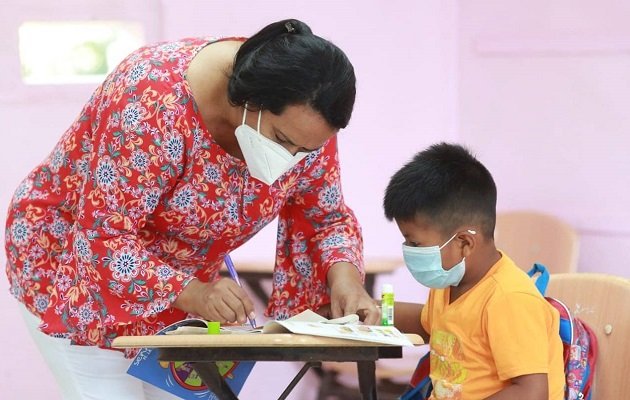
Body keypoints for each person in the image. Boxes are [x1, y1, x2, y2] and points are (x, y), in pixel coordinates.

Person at [5, 18, 379, 399]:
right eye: (281, 141)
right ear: (251, 101)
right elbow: (103, 234)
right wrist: (193, 293)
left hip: (180, 283)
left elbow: (326, 217)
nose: (291, 160)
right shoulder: (153, 100)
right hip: (76, 264)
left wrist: (346, 283)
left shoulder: (306, 123)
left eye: (306, 151)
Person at [383, 143, 564, 399]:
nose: (408, 250)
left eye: (415, 243)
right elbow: (430, 324)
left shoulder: (509, 298)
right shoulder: (449, 285)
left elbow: (532, 392)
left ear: (465, 243)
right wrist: (369, 311)